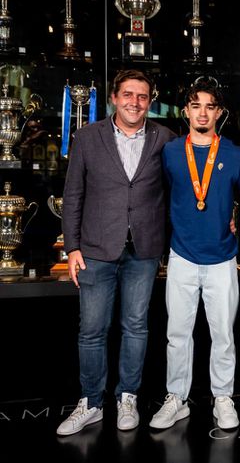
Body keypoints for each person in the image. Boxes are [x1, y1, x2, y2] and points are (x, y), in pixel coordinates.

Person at [57, 69, 176, 436]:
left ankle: (128, 397)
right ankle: (91, 402)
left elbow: (181, 190)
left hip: (144, 250)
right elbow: (73, 195)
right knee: (92, 330)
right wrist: (72, 247)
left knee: (135, 327)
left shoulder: (165, 138)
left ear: (150, 101)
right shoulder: (87, 137)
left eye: (142, 96)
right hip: (95, 249)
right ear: (113, 97)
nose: (134, 102)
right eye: (128, 94)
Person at [149, 77, 240, 431]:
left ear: (219, 113)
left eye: (210, 107)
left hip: (222, 258)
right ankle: (176, 398)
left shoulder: (233, 154)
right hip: (182, 255)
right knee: (177, 333)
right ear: (186, 111)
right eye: (196, 106)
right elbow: (158, 196)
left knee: (223, 334)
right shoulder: (170, 152)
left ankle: (222, 397)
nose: (202, 113)